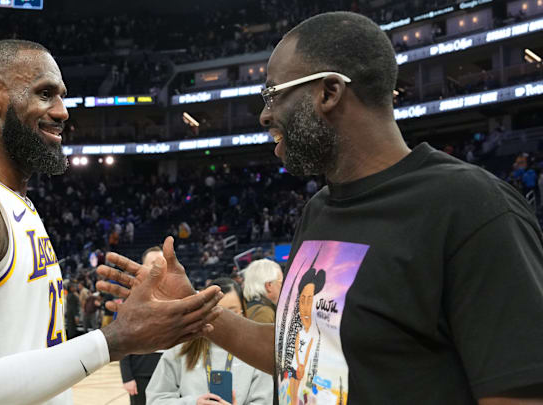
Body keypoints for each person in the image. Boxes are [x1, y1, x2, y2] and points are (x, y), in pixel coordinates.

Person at [97, 12, 543, 405]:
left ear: (329, 92)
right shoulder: (319, 211)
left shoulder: (471, 210)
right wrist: (196, 309)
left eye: (273, 94)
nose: (264, 115)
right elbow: (298, 352)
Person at [0, 39, 223, 405]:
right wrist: (116, 340)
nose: (63, 111)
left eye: (61, 96)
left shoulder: (13, 202)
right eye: (45, 93)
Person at [145, 278, 272, 405]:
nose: (225, 321)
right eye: (216, 313)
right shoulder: (181, 348)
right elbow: (155, 399)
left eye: (233, 312)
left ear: (243, 313)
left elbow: (264, 401)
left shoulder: (255, 352)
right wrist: (193, 403)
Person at [119, 246, 165, 405]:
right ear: (143, 267)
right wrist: (127, 377)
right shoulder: (132, 300)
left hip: (169, 373)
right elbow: (123, 341)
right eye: (153, 263)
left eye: (161, 262)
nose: (158, 266)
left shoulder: (178, 297)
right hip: (141, 374)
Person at [242, 259, 283, 323]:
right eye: (281, 282)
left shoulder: (244, 308)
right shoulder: (264, 313)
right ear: (269, 285)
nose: (283, 287)